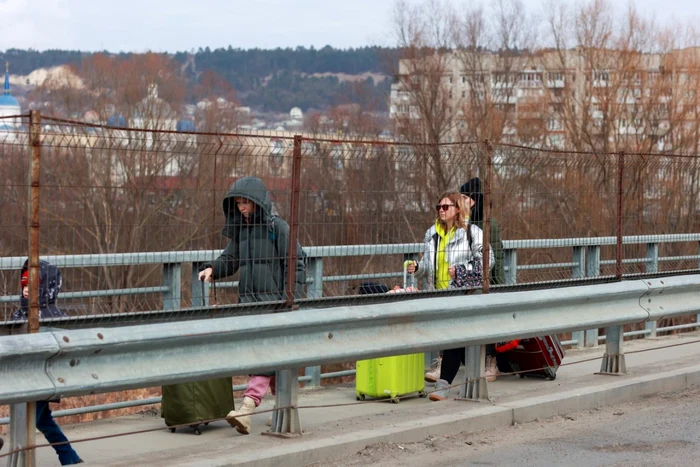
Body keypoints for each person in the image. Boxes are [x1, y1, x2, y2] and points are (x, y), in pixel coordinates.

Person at [198, 176, 305, 435]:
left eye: (246, 202)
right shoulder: (242, 232)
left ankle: (247, 408)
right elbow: (231, 258)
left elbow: (296, 263)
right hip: (248, 304)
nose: (242, 208)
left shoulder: (277, 228)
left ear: (258, 202)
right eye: (238, 203)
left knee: (263, 356)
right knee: (275, 360)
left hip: (274, 304)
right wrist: (213, 268)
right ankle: (285, 408)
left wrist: (293, 299)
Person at [406, 193, 493, 401]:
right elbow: (428, 266)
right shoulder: (432, 234)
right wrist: (417, 268)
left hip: (463, 295)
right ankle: (474, 378)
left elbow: (488, 263)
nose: (441, 210)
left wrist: (462, 271)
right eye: (439, 207)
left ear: (458, 209)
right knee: (458, 343)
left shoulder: (472, 233)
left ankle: (443, 385)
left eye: (446, 206)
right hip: (439, 296)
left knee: (452, 341)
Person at [11, 260, 84, 465]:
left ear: (47, 287)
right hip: (23, 377)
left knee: (28, 420)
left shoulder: (55, 318)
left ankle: (22, 461)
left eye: (31, 286)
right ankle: (69, 456)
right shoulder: (20, 314)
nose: (26, 290)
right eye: (23, 285)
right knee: (43, 421)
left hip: (44, 378)